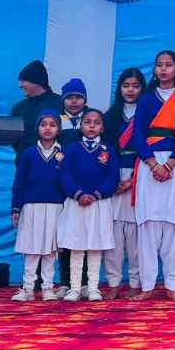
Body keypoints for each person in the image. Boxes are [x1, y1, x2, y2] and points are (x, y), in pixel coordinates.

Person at [131, 50, 175, 301]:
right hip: (149, 163)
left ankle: (173, 285)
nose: (163, 69)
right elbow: (138, 134)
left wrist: (169, 165)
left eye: (168, 65)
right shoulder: (146, 99)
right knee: (148, 223)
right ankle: (147, 285)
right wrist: (152, 163)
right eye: (159, 65)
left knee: (174, 223)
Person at [56, 109, 120, 301]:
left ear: (103, 127)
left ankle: (92, 288)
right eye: (87, 122)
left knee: (95, 245)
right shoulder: (71, 149)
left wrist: (95, 194)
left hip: (98, 204)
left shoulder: (108, 151)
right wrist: (78, 194)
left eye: (96, 122)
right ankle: (75, 288)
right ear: (81, 126)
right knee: (76, 245)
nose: (92, 126)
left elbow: (113, 176)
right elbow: (65, 174)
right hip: (76, 204)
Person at [10, 110, 65, 302]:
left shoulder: (63, 154)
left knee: (50, 250)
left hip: (56, 207)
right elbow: (19, 182)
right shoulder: (29, 154)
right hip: (31, 206)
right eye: (43, 124)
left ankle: (48, 287)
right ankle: (27, 288)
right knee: (31, 249)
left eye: (52, 124)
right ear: (37, 128)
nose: (47, 128)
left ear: (58, 129)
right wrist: (16, 207)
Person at [103, 68, 146, 299]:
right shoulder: (109, 117)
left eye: (135, 86)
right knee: (114, 236)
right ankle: (113, 282)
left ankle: (136, 283)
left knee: (136, 237)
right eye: (126, 86)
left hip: (141, 176)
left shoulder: (148, 115)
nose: (130, 90)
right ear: (119, 88)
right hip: (113, 177)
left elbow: (149, 150)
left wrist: (133, 180)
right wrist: (114, 180)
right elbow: (105, 151)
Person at [55, 78, 91, 297]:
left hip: (86, 185)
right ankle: (64, 281)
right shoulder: (56, 121)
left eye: (78, 97)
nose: (74, 101)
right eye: (70, 97)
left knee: (84, 234)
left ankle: (85, 282)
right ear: (63, 100)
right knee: (64, 235)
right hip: (62, 184)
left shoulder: (92, 120)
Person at [10, 60, 63, 161]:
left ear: (36, 81)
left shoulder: (61, 104)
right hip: (25, 165)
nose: (20, 85)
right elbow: (14, 139)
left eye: (23, 81)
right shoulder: (18, 108)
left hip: (55, 164)